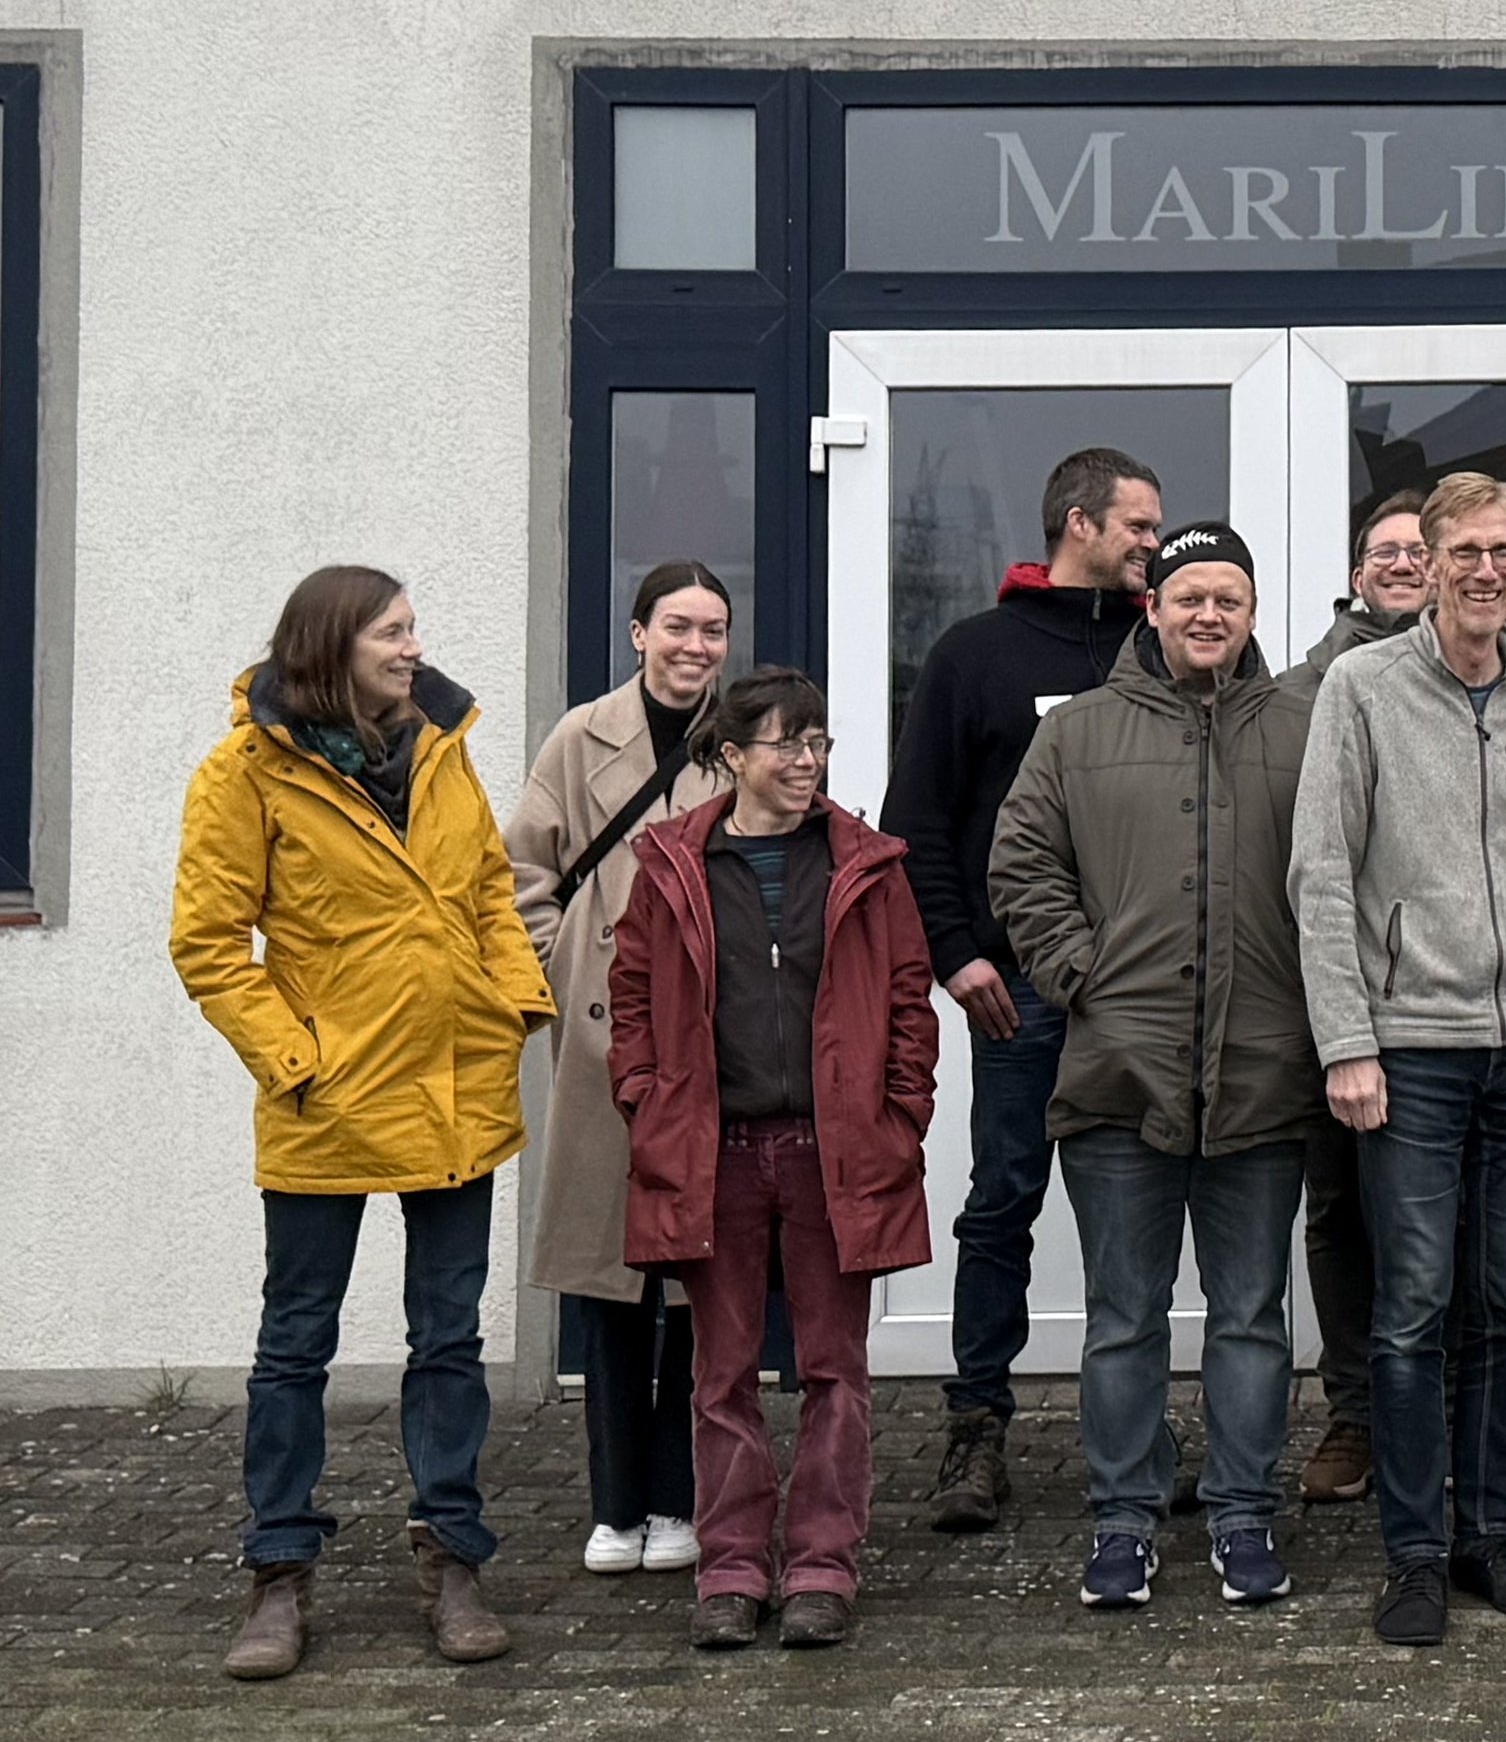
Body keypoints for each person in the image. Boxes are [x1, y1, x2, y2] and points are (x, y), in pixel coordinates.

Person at [174, 566, 560, 1679]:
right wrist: (297, 1059)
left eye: (411, 630)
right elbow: (208, 945)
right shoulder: (246, 771)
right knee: (295, 1343)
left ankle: (451, 1558)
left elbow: (488, 889)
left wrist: (515, 1004)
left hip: (454, 1085)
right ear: (332, 644)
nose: (411, 647)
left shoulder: (441, 744)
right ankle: (278, 1572)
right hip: (328, 1099)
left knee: (448, 1338)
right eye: (392, 631)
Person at [990, 522, 1320, 1612]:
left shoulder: (1309, 726)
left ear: (1253, 611)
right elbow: (1020, 859)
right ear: (1154, 607)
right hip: (1117, 1076)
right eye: (1189, 598)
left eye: (1228, 598)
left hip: (1266, 1074)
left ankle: (1241, 1511)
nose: (1208, 616)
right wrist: (1081, 971)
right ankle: (1122, 1520)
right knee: (1123, 1314)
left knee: (1250, 1314)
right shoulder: (1079, 733)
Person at [1291, 470, 1506, 1647]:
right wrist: (1347, 1041)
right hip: (1408, 1053)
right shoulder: (1363, 689)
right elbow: (1320, 874)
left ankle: (1489, 1536)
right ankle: (1414, 1550)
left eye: (1500, 551)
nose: (1482, 570)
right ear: (1426, 558)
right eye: (1461, 550)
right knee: (1412, 1308)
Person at [611, 667, 938, 1651]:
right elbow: (632, 994)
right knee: (722, 1372)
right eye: (784, 744)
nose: (805, 761)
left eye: (818, 742)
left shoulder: (863, 862)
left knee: (836, 1367)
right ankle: (734, 1565)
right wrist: (647, 1102)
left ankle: (824, 1565)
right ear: (729, 756)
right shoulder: (674, 863)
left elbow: (907, 997)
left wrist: (900, 1115)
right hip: (717, 1151)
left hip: (831, 1152)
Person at [882, 446, 1163, 1532]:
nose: (1153, 542)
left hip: (1142, 994)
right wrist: (958, 955)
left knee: (1131, 1218)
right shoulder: (976, 655)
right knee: (1003, 1201)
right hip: (1021, 995)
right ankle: (976, 1427)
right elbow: (919, 822)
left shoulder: (1168, 647)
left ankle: (1133, 1429)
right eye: (1139, 525)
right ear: (1079, 522)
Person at [504, 562, 728, 1578]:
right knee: (608, 1280)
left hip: (709, 1043)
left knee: (693, 1276)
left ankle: (679, 1500)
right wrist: (561, 962)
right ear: (638, 633)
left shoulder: (744, 739)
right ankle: (614, 1502)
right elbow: (520, 873)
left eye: (713, 630)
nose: (695, 646)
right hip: (599, 1039)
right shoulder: (577, 736)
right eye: (676, 627)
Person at [1283, 489, 1425, 1509]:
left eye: (1422, 549)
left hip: (1441, 1000)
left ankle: (1435, 1406)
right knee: (1337, 1209)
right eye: (1385, 549)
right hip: (1328, 993)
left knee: (1437, 1217)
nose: (1404, 562)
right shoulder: (1300, 692)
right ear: (1356, 568)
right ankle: (1354, 1411)